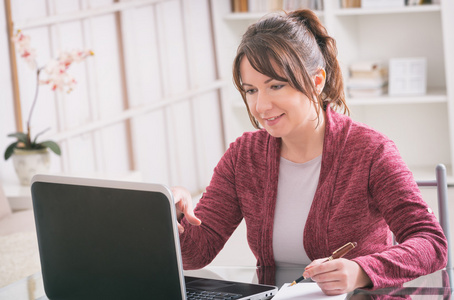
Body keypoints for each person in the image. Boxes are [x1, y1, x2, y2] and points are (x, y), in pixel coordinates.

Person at [171, 9, 448, 296]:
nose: (261, 106)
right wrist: (170, 215)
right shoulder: (244, 156)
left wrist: (362, 271)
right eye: (251, 90)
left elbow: (431, 242)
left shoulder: (370, 151)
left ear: (317, 82)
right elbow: (197, 253)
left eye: (275, 86)